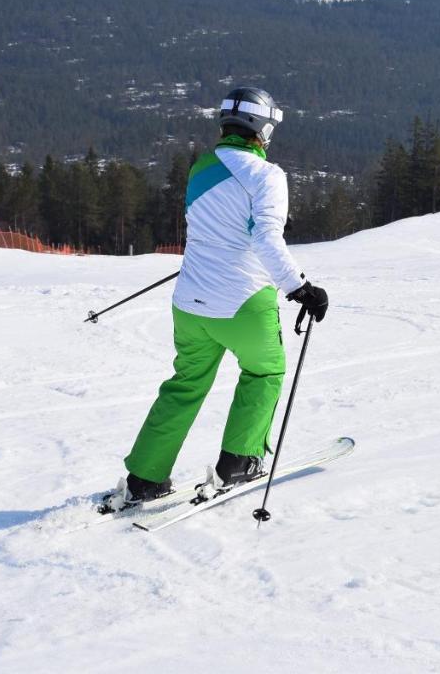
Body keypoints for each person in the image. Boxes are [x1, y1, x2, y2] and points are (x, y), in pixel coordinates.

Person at [114, 87, 329, 508]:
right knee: (264, 372)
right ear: (261, 127)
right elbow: (265, 238)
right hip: (243, 302)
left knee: (185, 385)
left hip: (189, 303)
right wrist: (299, 288)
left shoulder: (201, 167)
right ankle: (240, 462)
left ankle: (144, 478)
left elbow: (212, 229)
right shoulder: (267, 176)